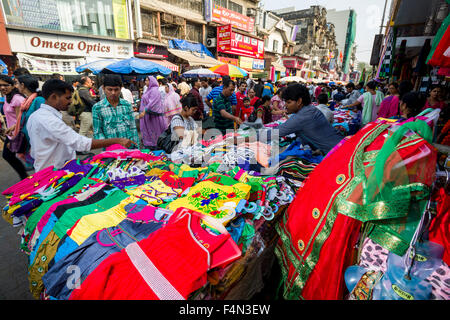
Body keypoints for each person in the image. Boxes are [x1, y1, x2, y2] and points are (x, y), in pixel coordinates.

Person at [27, 79, 134, 172]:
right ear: (54, 97)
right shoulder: (48, 119)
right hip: (54, 173)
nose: (70, 101)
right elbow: (81, 143)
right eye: (67, 98)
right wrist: (117, 140)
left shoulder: (37, 116)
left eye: (116, 89)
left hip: (54, 168)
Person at [274, 83, 342, 155]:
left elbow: (275, 132)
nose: (285, 105)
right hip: (339, 146)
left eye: (288, 102)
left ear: (299, 101)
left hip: (336, 154)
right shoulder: (311, 109)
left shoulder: (301, 117)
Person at [92, 75, 140, 149]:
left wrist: (137, 148)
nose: (113, 93)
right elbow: (98, 132)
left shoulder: (127, 105)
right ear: (103, 88)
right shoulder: (97, 108)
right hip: (110, 151)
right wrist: (108, 147)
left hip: (129, 148)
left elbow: (133, 128)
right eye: (110, 90)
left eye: (116, 89)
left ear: (120, 89)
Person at [0, 75, 28, 179]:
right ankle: (25, 177)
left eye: (5, 85)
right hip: (11, 134)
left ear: (12, 86)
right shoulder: (7, 97)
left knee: (10, 155)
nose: (2, 88)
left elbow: (20, 120)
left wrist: (12, 129)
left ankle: (25, 177)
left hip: (18, 133)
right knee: (9, 156)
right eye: (0, 85)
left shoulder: (17, 99)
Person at [138, 76, 167, 149]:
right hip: (148, 116)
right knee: (148, 132)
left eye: (147, 80)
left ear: (152, 81)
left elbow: (153, 102)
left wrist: (144, 111)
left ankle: (155, 146)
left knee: (154, 133)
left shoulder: (154, 90)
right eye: (145, 80)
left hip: (153, 117)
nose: (145, 82)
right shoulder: (148, 90)